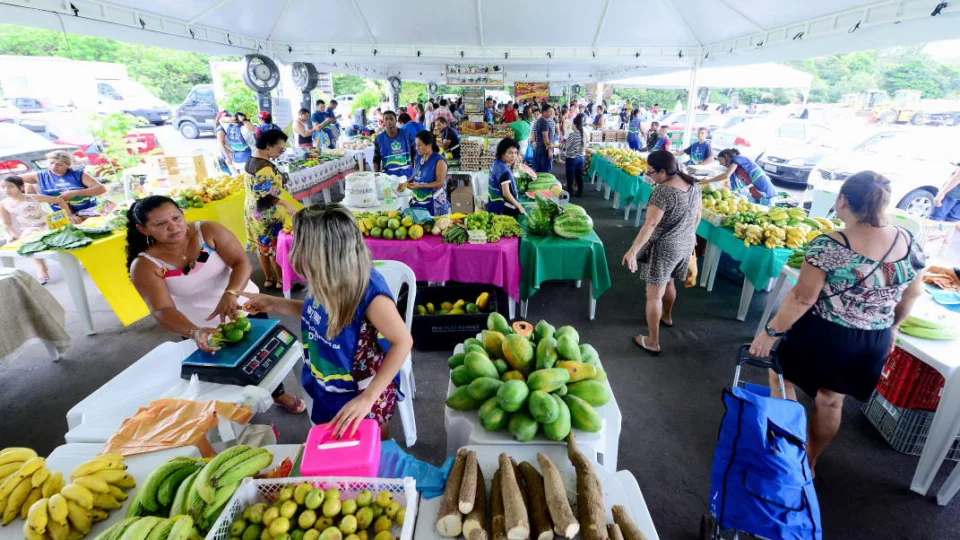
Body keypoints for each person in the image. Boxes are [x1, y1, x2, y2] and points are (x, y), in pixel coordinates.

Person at [749, 172, 924, 472]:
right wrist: (892, 328)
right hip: (873, 341)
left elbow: (803, 298)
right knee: (831, 401)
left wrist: (770, 333)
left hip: (826, 335)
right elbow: (913, 293)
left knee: (781, 378)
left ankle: (788, 452)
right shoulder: (908, 241)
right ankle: (811, 462)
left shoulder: (830, 244)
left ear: (843, 201)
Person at [126, 195, 306, 414]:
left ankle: (278, 394)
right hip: (200, 327)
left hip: (245, 308)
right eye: (161, 224)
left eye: (175, 218)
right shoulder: (146, 265)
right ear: (144, 230)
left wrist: (231, 294)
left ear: (182, 214)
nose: (172, 227)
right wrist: (194, 331)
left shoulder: (207, 232)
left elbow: (241, 262)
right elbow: (162, 309)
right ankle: (238, 410)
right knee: (223, 375)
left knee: (264, 360)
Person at [242, 205, 412, 434]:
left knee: (369, 447)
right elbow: (320, 314)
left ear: (325, 255)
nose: (298, 255)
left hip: (362, 392)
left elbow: (403, 342)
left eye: (303, 249)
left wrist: (368, 398)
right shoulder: (326, 278)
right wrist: (274, 304)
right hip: (328, 382)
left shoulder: (370, 293)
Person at [621, 151, 701, 355]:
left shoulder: (663, 192)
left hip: (666, 247)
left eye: (652, 173)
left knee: (654, 294)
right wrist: (689, 235)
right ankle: (667, 316)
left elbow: (651, 224)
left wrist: (633, 250)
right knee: (670, 282)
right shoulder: (693, 184)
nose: (650, 177)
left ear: (664, 171)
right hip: (685, 244)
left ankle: (653, 341)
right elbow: (697, 215)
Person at [243, 129, 297, 290]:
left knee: (263, 246)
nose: (281, 153)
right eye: (280, 149)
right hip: (266, 213)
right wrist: (287, 205)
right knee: (274, 248)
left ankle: (269, 278)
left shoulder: (252, 159)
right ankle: (281, 280)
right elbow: (265, 196)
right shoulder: (264, 168)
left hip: (252, 211)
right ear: (268, 146)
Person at [20, 150, 106, 222]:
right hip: (63, 215)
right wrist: (29, 188)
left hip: (88, 211)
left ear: (68, 166)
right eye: (51, 163)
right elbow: (12, 181)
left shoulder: (78, 174)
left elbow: (101, 189)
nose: (54, 166)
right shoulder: (40, 176)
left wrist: (76, 193)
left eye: (60, 164)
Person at [1, 175, 55, 283]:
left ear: (21, 187)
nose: (6, 190)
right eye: (2, 187)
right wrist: (12, 234)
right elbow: (6, 223)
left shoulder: (31, 197)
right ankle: (41, 267)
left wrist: (68, 214)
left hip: (46, 224)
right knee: (26, 239)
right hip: (29, 229)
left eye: (10, 186)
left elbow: (58, 200)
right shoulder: (3, 204)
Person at [401, 131, 449, 217]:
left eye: (419, 145)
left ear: (429, 145)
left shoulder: (439, 161)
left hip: (434, 204)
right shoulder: (420, 157)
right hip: (419, 201)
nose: (416, 148)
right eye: (416, 145)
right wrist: (406, 183)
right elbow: (416, 174)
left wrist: (419, 186)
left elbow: (440, 183)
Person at [705, 148, 777, 202]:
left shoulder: (738, 159)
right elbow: (732, 185)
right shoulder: (735, 169)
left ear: (726, 156)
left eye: (720, 160)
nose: (720, 164)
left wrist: (708, 180)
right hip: (757, 194)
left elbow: (726, 175)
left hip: (765, 190)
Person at [487, 138, 525, 217]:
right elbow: (506, 194)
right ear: (502, 152)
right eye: (510, 153)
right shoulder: (504, 172)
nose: (513, 156)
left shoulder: (496, 162)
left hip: (493, 203)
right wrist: (518, 206)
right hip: (503, 208)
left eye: (515, 153)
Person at [373, 111, 415, 179]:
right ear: (383, 121)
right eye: (386, 119)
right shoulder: (379, 139)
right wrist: (376, 176)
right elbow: (376, 159)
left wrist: (415, 173)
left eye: (391, 118)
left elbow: (415, 154)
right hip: (388, 177)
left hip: (408, 176)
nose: (389, 121)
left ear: (396, 120)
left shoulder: (407, 135)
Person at [561, 114, 587, 197]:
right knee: (578, 175)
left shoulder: (573, 134)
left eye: (572, 124)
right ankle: (580, 192)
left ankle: (569, 193)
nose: (571, 125)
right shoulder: (583, 134)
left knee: (570, 176)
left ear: (575, 124)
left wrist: (556, 146)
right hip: (581, 158)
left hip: (572, 158)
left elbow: (566, 146)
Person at [932, 163, 960, 228]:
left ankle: (932, 236)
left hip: (952, 194)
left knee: (935, 221)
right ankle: (941, 237)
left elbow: (958, 177)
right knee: (953, 222)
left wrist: (942, 193)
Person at [533, 104, 556, 173]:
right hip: (544, 150)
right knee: (544, 172)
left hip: (540, 149)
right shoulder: (544, 122)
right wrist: (549, 150)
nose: (551, 113)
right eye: (549, 111)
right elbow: (545, 136)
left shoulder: (540, 120)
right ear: (544, 112)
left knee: (540, 171)